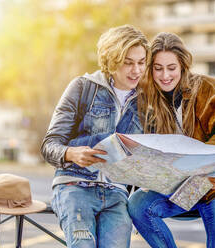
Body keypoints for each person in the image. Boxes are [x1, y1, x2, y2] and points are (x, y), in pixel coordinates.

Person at [128, 32, 215, 248]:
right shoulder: (147, 101)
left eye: (171, 68)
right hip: (179, 187)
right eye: (158, 68)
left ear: (183, 65)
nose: (165, 75)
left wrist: (207, 167)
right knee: (137, 204)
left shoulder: (208, 88)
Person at [41, 25, 149, 248]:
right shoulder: (83, 88)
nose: (136, 70)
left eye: (141, 62)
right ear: (111, 60)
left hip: (117, 194)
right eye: (128, 62)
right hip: (74, 185)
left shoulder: (147, 102)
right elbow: (49, 145)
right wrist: (71, 153)